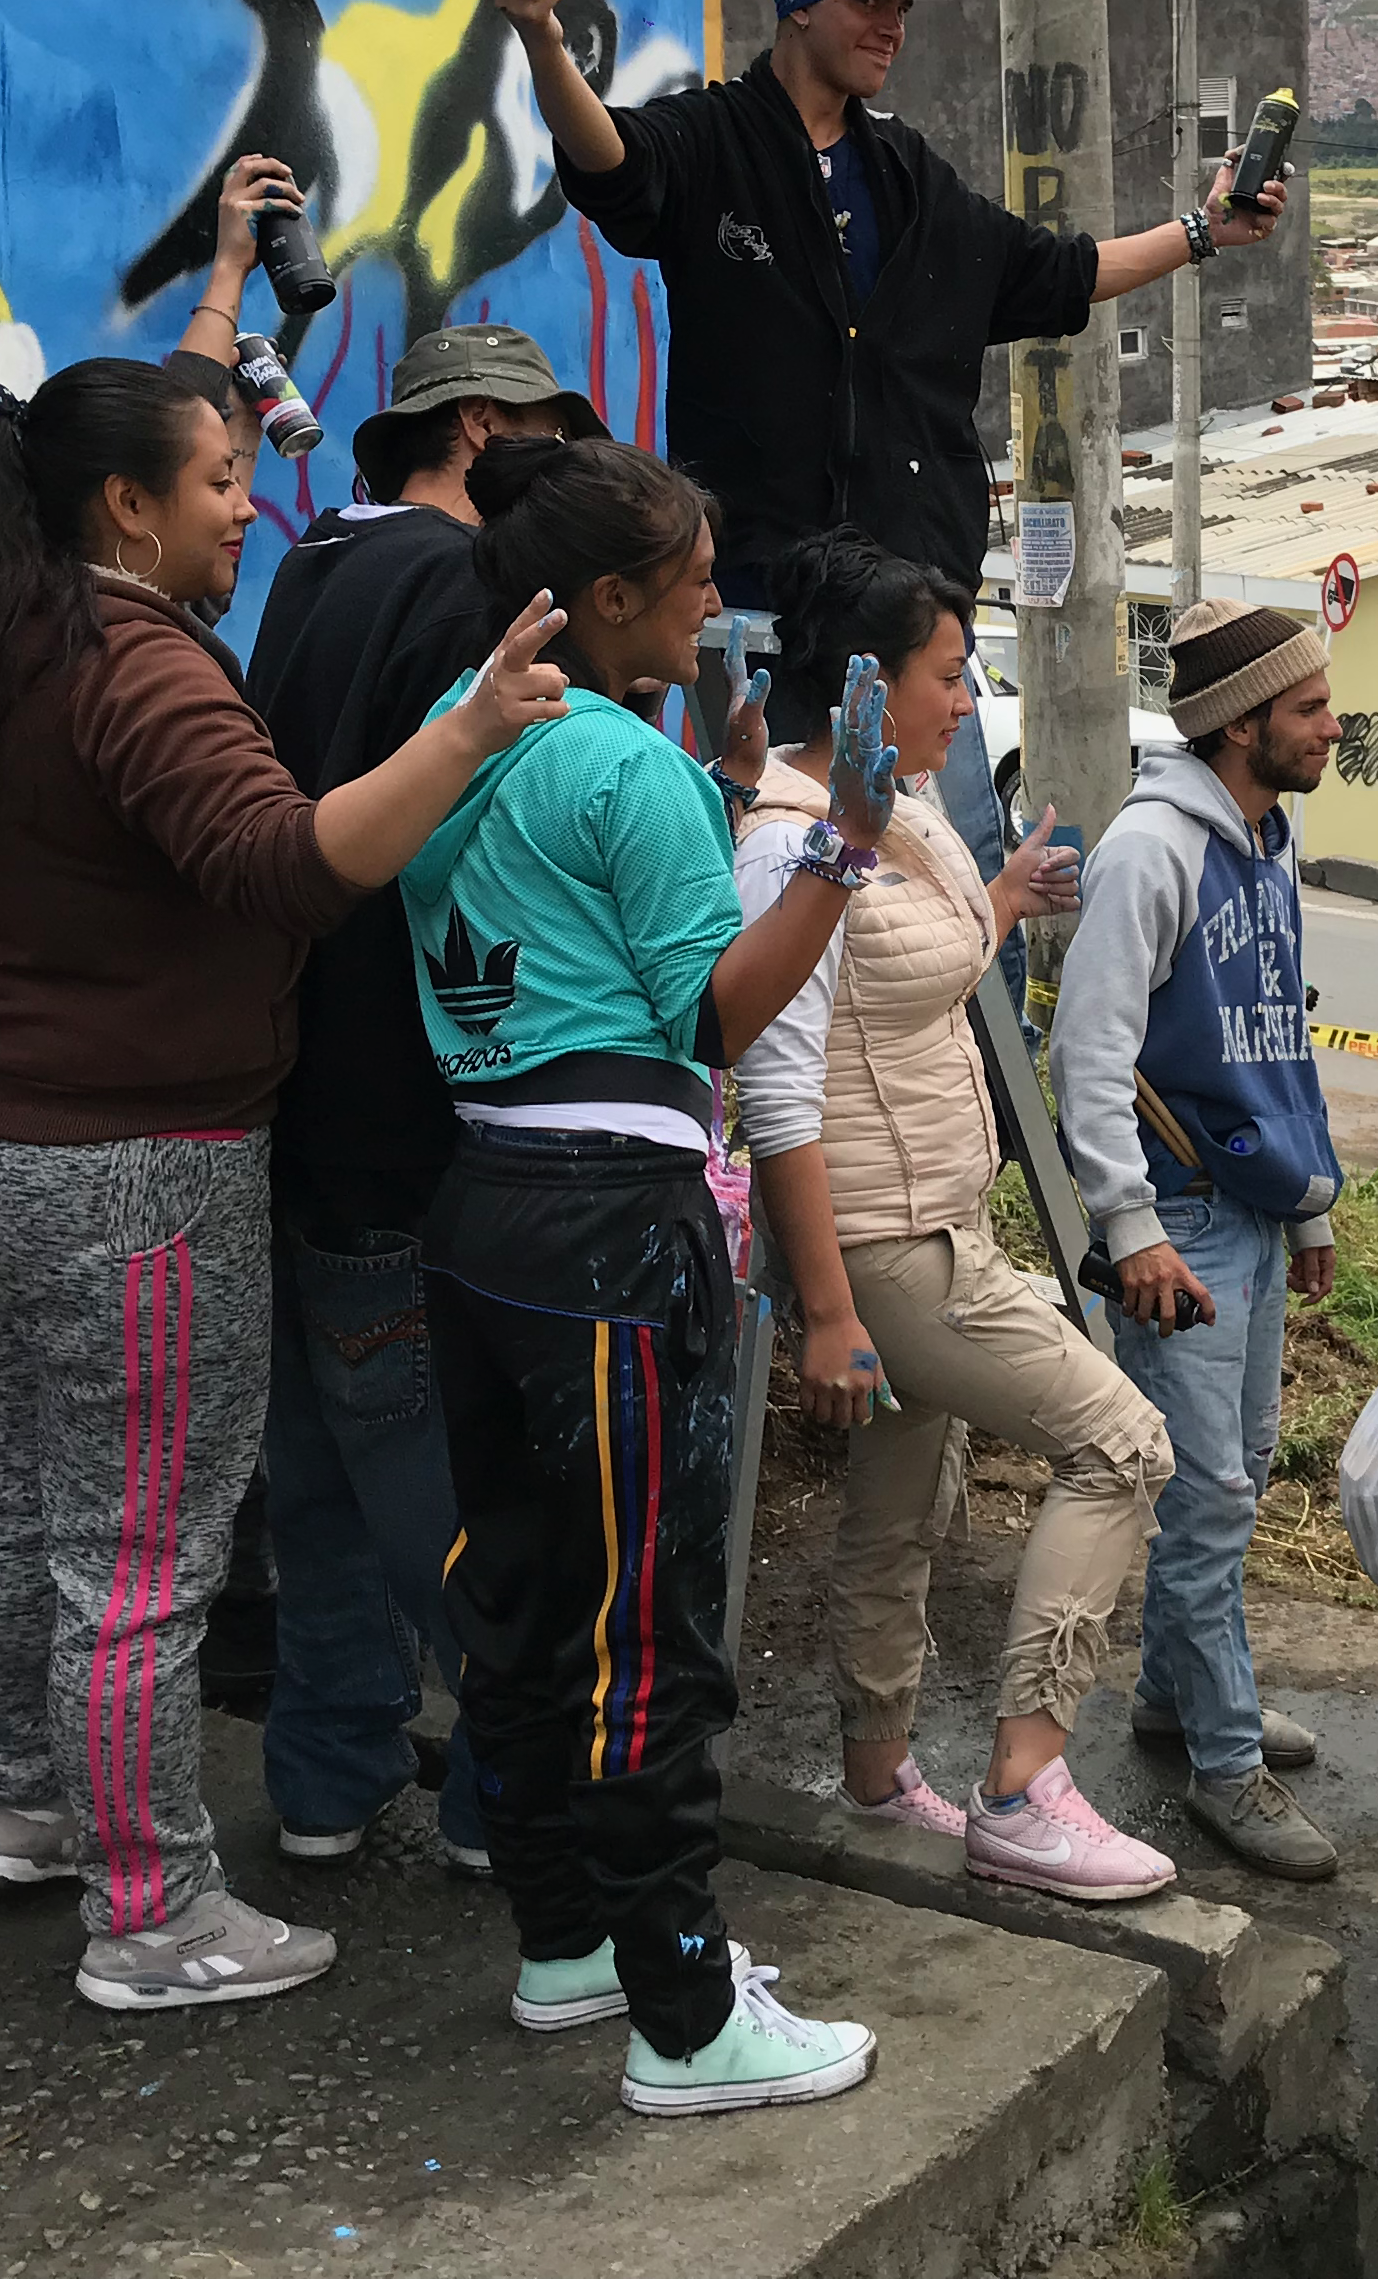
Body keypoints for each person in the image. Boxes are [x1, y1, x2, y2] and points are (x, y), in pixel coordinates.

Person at [0, 180, 570, 2012]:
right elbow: (289, 862)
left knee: (23, 1489)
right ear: (127, 506)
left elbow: (112, 423)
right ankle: (153, 1908)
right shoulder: (143, 671)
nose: (244, 503)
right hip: (125, 1171)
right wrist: (474, 722)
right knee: (144, 1552)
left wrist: (211, 295)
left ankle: (28, 1805)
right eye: (213, 488)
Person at [395, 434, 899, 2118]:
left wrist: (710, 778)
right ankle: (685, 2010)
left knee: (530, 1594)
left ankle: (568, 1940)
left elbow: (561, 915)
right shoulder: (627, 765)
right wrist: (838, 846)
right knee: (648, 1623)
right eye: (690, 588)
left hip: (478, 1206)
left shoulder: (474, 731)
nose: (714, 610)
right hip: (613, 1215)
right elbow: (712, 1011)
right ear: (610, 598)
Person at [486, 0, 1288, 894]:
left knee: (932, 878)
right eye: (868, 0)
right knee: (773, 870)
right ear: (797, 10)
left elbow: (1056, 272)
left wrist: (1202, 232)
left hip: (904, 604)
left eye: (902, 7)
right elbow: (611, 163)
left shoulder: (908, 178)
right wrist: (539, 37)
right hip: (760, 609)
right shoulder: (714, 142)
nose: (891, 27)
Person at [729, 530, 1181, 1899]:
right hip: (881, 1245)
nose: (966, 696)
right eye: (945, 671)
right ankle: (1026, 1784)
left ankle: (876, 1774)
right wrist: (821, 1310)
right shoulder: (794, 845)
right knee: (1122, 1443)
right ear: (863, 682)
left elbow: (917, 963)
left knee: (898, 1511)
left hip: (938, 1217)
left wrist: (996, 897)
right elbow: (776, 1091)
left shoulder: (895, 805)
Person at [242, 323, 604, 1877]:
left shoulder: (315, 562)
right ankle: (505, 1793)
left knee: (322, 1465)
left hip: (296, 1087)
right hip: (415, 1101)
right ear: (474, 430)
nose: (561, 472)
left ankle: (327, 1779)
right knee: (440, 1482)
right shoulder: (467, 597)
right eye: (542, 440)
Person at [1051, 599, 1346, 1881]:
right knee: (1210, 1497)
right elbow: (1089, 1050)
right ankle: (1225, 1767)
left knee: (1244, 1467)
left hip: (1259, 1209)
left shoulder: (1267, 843)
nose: (1333, 727)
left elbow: (1277, 1034)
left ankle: (1175, 1699)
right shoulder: (1152, 852)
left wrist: (1315, 1201)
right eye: (1309, 708)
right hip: (1176, 1221)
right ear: (1239, 725)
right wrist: (1128, 1228)